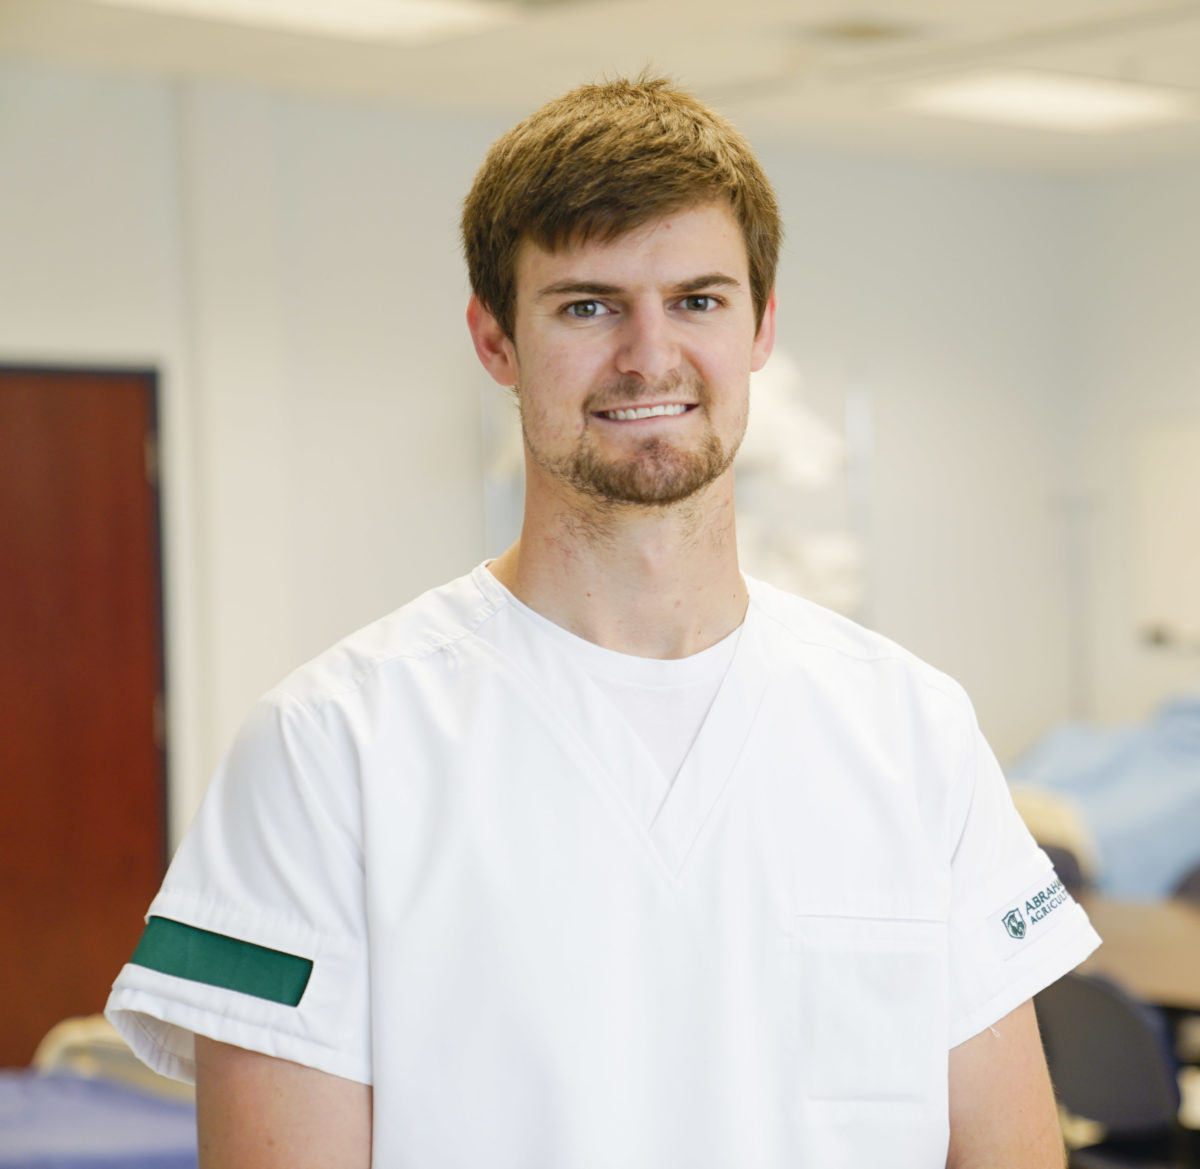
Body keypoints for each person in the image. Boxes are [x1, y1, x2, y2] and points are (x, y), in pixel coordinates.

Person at [107, 75, 1100, 1168]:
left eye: (699, 300)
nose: (648, 354)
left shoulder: (912, 728)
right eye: (587, 304)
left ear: (761, 327)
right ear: (495, 340)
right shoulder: (330, 744)